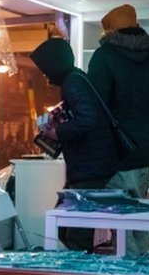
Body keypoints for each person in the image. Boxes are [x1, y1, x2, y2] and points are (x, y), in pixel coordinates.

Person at [87, 4, 149, 258]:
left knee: (121, 219)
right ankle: (141, 268)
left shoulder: (104, 57)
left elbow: (95, 105)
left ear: (109, 31)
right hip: (143, 150)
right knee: (137, 215)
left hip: (113, 152)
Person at [29, 37, 118, 252]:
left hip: (89, 167)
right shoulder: (78, 78)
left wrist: (56, 132)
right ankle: (79, 273)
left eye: (45, 69)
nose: (44, 75)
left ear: (53, 65)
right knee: (66, 224)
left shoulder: (73, 83)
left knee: (75, 231)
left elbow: (87, 118)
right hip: (91, 165)